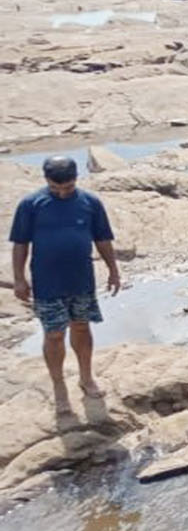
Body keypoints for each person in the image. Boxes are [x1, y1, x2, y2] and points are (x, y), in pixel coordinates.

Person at [9, 156, 119, 415]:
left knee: (81, 326)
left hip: (81, 279)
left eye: (68, 187)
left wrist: (113, 270)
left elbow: (103, 239)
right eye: (55, 188)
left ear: (76, 179)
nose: (62, 192)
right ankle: (59, 385)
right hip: (47, 282)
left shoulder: (90, 203)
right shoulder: (31, 205)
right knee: (54, 334)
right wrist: (19, 278)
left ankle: (86, 377)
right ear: (46, 180)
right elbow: (20, 244)